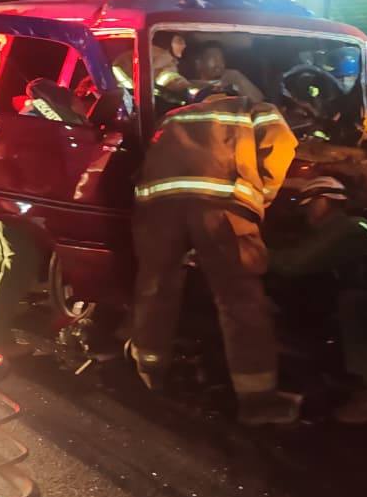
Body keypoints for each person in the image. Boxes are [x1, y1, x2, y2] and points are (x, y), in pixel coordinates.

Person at [128, 85, 300, 424]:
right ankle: (257, 399)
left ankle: (148, 373)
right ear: (227, 92)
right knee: (239, 299)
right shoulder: (250, 107)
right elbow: (282, 145)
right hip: (220, 207)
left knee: (155, 287)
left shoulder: (172, 117)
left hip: (157, 208)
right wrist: (258, 196)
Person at [267, 176, 367, 424]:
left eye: (308, 206)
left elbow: (296, 263)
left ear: (324, 202)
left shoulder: (351, 228)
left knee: (353, 303)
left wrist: (250, 253)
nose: (305, 214)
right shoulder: (338, 229)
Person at [0, 78, 88, 357]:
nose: (83, 109)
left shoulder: (35, 120)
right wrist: (10, 200)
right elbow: (0, 160)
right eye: (79, 103)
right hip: (15, 206)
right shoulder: (31, 124)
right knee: (20, 263)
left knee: (7, 259)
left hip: (13, 205)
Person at [186, 41, 265, 102]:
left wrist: (238, 79)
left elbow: (258, 100)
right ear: (199, 64)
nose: (219, 64)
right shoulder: (190, 86)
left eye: (221, 59)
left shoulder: (232, 85)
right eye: (213, 59)